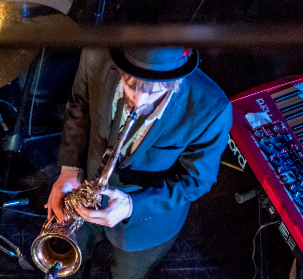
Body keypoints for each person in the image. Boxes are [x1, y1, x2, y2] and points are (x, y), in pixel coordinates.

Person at [46, 47, 232, 279]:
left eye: (154, 93)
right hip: (82, 198)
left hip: (145, 220)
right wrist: (69, 170)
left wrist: (133, 207)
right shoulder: (94, 55)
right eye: (131, 85)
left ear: (177, 82)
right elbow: (80, 105)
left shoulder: (212, 108)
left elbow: (196, 180)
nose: (138, 101)